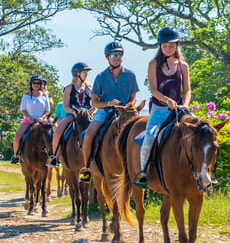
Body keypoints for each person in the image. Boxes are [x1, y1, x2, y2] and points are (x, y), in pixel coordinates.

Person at [134, 27, 192, 188]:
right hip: (160, 109)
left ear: (177, 45)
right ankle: (144, 172)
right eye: (165, 45)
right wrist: (167, 100)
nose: (168, 48)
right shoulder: (153, 64)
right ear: (160, 46)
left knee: (199, 133)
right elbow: (153, 89)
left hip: (180, 109)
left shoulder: (184, 66)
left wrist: (185, 104)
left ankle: (201, 173)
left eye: (171, 45)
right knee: (149, 138)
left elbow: (187, 90)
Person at [79, 42, 140, 182]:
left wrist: (129, 107)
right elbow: (94, 102)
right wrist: (108, 103)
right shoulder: (100, 77)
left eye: (118, 54)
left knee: (142, 132)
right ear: (107, 58)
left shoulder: (130, 75)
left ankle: (143, 169)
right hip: (104, 112)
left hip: (126, 112)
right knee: (89, 134)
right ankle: (87, 168)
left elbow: (133, 96)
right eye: (113, 55)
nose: (116, 57)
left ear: (122, 56)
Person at [47, 62, 93, 168]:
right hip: (72, 114)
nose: (86, 74)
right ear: (77, 74)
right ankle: (55, 156)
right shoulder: (68, 88)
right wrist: (73, 112)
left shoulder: (90, 87)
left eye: (86, 72)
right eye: (84, 72)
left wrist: (90, 111)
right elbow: (66, 106)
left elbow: (94, 102)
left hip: (87, 115)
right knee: (58, 131)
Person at [10, 75, 52, 164]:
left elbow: (47, 110)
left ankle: (53, 156)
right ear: (31, 84)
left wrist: (42, 118)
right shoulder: (26, 95)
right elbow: (23, 109)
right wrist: (29, 117)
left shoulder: (45, 95)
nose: (36, 85)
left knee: (51, 135)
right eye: (34, 83)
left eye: (38, 83)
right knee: (17, 136)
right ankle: (16, 155)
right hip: (28, 121)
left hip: (42, 121)